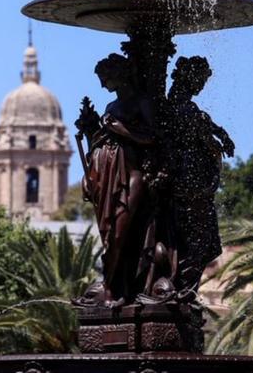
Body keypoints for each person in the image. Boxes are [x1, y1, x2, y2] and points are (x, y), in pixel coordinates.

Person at [80, 53, 155, 306]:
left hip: (133, 174)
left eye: (105, 78)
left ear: (119, 75)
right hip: (107, 177)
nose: (102, 85)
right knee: (110, 235)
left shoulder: (141, 102)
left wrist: (122, 130)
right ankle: (113, 289)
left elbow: (153, 138)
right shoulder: (110, 108)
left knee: (121, 233)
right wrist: (91, 128)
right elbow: (100, 143)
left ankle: (125, 289)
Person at [166, 56, 233, 297]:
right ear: (189, 78)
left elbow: (204, 124)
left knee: (201, 241)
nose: (202, 85)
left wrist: (219, 134)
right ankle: (183, 289)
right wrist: (218, 138)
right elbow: (202, 130)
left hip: (191, 182)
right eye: (201, 80)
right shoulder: (182, 109)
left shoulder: (179, 106)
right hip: (189, 182)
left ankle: (184, 288)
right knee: (201, 241)